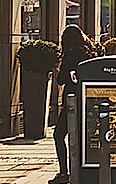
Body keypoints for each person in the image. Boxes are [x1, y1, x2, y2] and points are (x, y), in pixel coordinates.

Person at [48, 24, 93, 184]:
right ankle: (83, 169)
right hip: (88, 101)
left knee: (59, 135)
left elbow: (61, 80)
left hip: (72, 102)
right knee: (82, 137)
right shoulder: (89, 52)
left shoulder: (71, 55)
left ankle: (63, 173)